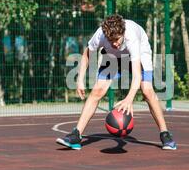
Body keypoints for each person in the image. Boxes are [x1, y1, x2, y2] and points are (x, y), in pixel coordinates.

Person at [56, 14, 177, 151]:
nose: (114, 43)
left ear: (123, 33)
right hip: (113, 57)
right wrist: (80, 79)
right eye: (110, 40)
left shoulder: (131, 37)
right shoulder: (100, 35)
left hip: (139, 55)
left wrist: (129, 99)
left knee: (147, 91)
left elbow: (137, 75)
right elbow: (87, 54)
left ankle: (165, 134)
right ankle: (76, 135)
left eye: (117, 39)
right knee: (97, 91)